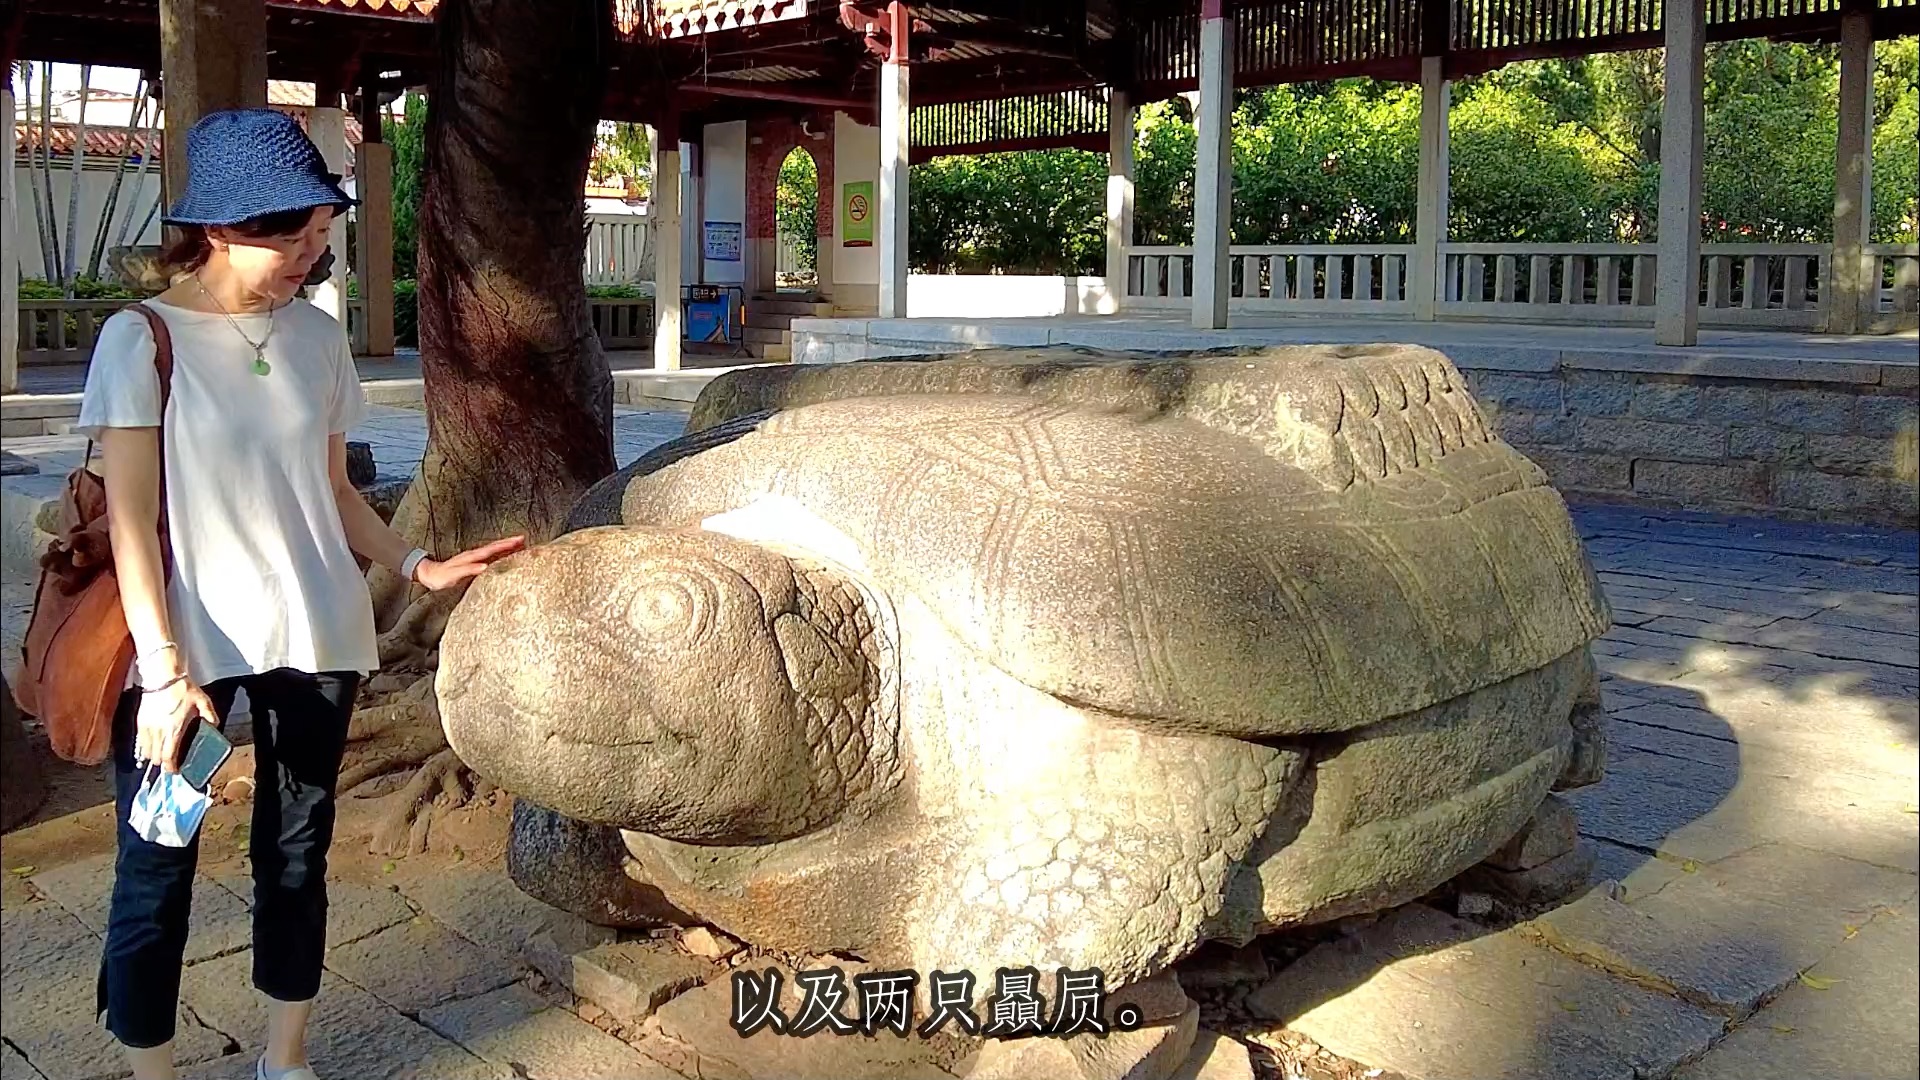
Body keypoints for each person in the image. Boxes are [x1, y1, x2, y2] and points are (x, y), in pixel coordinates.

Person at [77, 108, 523, 1080]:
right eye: (292, 237)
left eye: (321, 235)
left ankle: (287, 1059)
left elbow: (333, 495)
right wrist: (160, 675)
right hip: (185, 664)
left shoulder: (317, 343)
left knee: (294, 856)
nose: (309, 257)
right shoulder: (140, 342)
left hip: (318, 641)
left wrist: (416, 566)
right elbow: (128, 521)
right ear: (222, 228)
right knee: (159, 865)